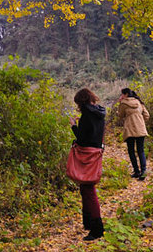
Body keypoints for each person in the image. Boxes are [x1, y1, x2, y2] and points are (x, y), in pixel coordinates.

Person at [69, 87, 106, 241]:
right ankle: (90, 224)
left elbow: (82, 139)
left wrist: (73, 126)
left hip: (86, 154)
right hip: (96, 153)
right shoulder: (100, 113)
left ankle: (97, 229)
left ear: (81, 102)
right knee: (86, 188)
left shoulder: (86, 116)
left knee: (88, 190)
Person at [117, 87, 150, 180]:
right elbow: (147, 115)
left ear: (126, 94)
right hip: (141, 129)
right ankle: (143, 171)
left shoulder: (123, 103)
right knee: (141, 150)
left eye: (122, 94)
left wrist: (120, 103)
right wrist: (140, 121)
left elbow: (120, 115)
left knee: (131, 151)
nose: (121, 96)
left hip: (130, 130)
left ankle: (136, 171)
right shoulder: (139, 102)